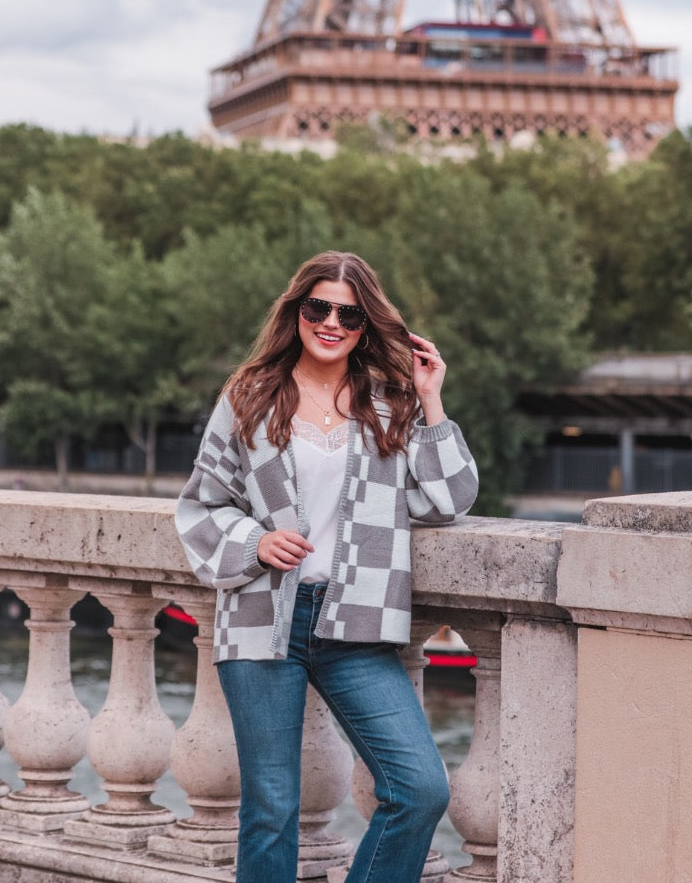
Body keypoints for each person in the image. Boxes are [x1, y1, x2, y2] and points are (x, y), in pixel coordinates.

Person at [175, 251, 478, 883]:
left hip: (357, 626)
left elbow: (449, 499)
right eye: (320, 307)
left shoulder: (389, 403)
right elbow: (201, 506)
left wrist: (431, 398)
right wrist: (255, 543)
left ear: (368, 324)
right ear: (298, 311)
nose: (332, 321)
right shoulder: (248, 396)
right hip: (263, 622)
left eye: (350, 312)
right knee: (272, 810)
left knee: (420, 787)